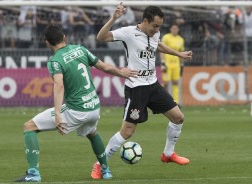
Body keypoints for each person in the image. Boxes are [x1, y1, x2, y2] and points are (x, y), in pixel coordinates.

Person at [14, 24, 138, 182]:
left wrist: (58, 114)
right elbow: (104, 66)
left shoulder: (55, 61)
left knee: (29, 127)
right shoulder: (80, 49)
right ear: (64, 38)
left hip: (77, 110)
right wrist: (121, 72)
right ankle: (106, 171)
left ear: (46, 43)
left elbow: (59, 85)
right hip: (94, 107)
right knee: (91, 132)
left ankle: (33, 173)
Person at [91, 3, 193, 179]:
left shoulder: (155, 33)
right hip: (136, 88)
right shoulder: (128, 32)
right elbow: (101, 37)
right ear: (145, 21)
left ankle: (168, 154)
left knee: (178, 117)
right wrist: (114, 18)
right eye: (154, 26)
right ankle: (100, 164)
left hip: (153, 85)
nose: (157, 30)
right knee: (127, 132)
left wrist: (178, 54)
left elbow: (157, 45)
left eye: (159, 27)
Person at [160, 23, 185, 105]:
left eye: (176, 28)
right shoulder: (166, 37)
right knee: (166, 84)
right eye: (173, 28)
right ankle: (162, 100)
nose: (174, 30)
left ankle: (176, 102)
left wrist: (181, 64)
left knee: (175, 82)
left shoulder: (180, 39)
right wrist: (163, 62)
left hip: (176, 64)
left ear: (178, 30)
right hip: (167, 64)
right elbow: (161, 50)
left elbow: (181, 52)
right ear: (170, 29)